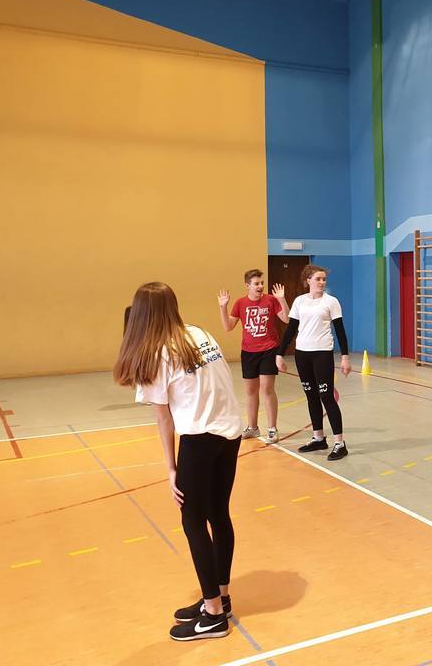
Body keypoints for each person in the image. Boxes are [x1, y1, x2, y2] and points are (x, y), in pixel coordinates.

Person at [113, 282, 242, 641]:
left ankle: (213, 615)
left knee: (193, 521)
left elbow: (164, 419)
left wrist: (171, 469)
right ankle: (220, 598)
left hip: (199, 440)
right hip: (229, 433)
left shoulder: (157, 353)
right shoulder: (200, 333)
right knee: (218, 514)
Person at [276, 265, 352, 460]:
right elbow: (291, 329)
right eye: (318, 279)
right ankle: (318, 438)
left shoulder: (331, 302)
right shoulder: (299, 301)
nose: (322, 282)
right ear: (308, 280)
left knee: (326, 396)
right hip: (302, 354)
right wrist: (279, 354)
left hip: (322, 354)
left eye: (324, 279)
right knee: (311, 396)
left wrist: (345, 356)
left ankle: (339, 443)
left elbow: (340, 331)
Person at [218, 270, 289, 444]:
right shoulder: (240, 303)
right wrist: (223, 307)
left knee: (267, 388)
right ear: (247, 285)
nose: (260, 286)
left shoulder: (271, 300)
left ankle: (272, 428)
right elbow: (228, 327)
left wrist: (282, 299)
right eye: (256, 283)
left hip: (269, 350)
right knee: (250, 391)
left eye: (261, 283)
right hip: (248, 352)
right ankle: (253, 427)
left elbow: (287, 319)